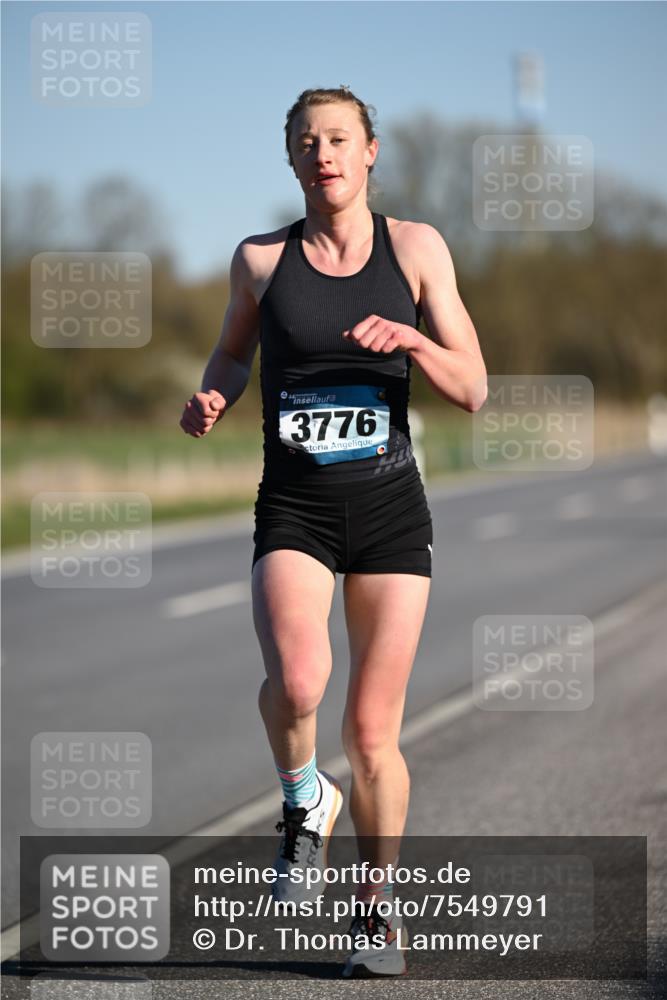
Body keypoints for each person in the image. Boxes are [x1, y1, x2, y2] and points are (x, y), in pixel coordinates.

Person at [180, 85, 487, 978]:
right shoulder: (261, 261)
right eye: (307, 141)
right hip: (296, 508)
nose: (324, 153)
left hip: (392, 510)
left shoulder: (418, 249)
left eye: (339, 138)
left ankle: (376, 918)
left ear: (370, 152)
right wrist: (214, 393)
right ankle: (299, 800)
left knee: (372, 733)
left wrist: (414, 342)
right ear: (290, 158)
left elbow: (471, 386)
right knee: (300, 678)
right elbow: (234, 351)